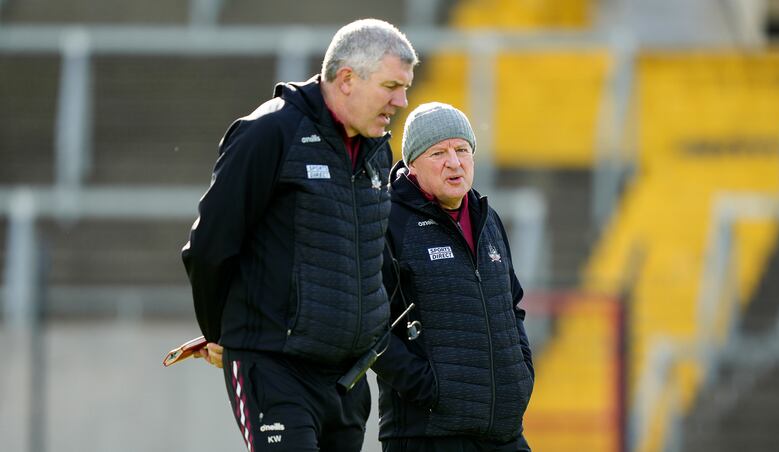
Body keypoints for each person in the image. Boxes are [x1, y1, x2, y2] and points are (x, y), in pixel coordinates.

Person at [181, 18, 417, 452]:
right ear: (347, 79)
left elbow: (374, 260)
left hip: (346, 379)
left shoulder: (378, 152)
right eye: (391, 87)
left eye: (404, 88)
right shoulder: (269, 133)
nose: (401, 101)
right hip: (274, 369)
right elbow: (211, 244)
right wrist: (219, 332)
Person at [372, 102, 534, 452]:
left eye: (462, 149)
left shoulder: (488, 219)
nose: (454, 162)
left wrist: (521, 374)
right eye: (438, 152)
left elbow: (512, 306)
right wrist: (431, 388)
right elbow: (368, 327)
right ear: (412, 164)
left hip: (505, 434)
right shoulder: (387, 221)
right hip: (428, 435)